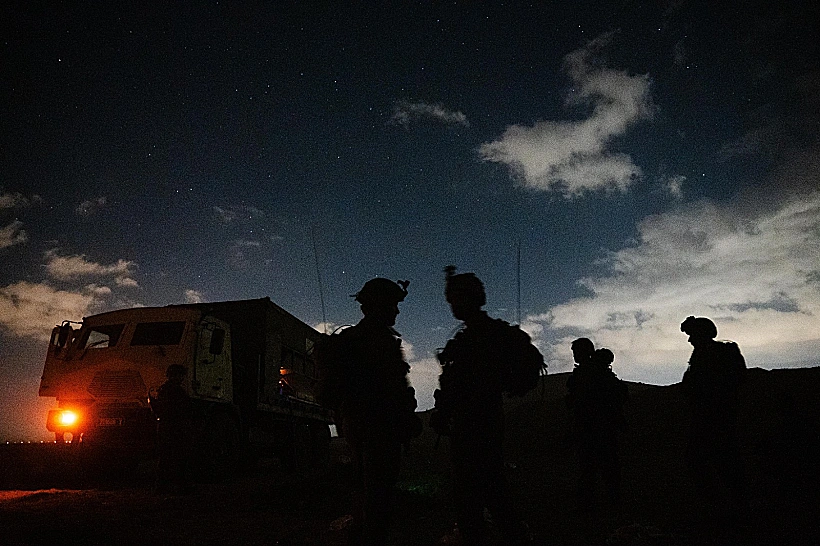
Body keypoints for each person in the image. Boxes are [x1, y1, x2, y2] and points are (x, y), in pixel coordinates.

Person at [431, 266, 543, 545]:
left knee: (486, 493)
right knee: (480, 495)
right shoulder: (467, 339)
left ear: (472, 298)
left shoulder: (491, 335)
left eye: (457, 298)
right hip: (468, 423)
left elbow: (520, 373)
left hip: (481, 422)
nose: (453, 306)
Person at [314, 277, 421, 546]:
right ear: (379, 305)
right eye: (393, 304)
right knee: (378, 497)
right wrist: (408, 418)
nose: (397, 311)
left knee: (363, 490)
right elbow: (394, 389)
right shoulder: (379, 342)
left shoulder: (348, 340)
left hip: (355, 426)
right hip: (379, 429)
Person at [680, 316, 748, 517]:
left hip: (713, 417)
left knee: (713, 460)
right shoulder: (709, 354)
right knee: (720, 460)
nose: (690, 340)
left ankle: (725, 506)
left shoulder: (713, 355)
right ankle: (730, 504)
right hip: (712, 416)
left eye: (692, 335)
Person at [565, 345, 628, 511]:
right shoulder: (601, 375)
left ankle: (593, 500)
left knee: (592, 465)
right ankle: (609, 498)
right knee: (603, 464)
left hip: (593, 425)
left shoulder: (588, 375)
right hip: (600, 425)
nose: (575, 356)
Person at [149, 364, 194, 494]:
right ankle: (180, 486)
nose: (181, 378)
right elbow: (182, 409)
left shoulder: (163, 390)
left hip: (166, 427)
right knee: (179, 457)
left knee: (166, 458)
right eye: (180, 375)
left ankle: (162, 486)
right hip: (175, 428)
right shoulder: (176, 391)